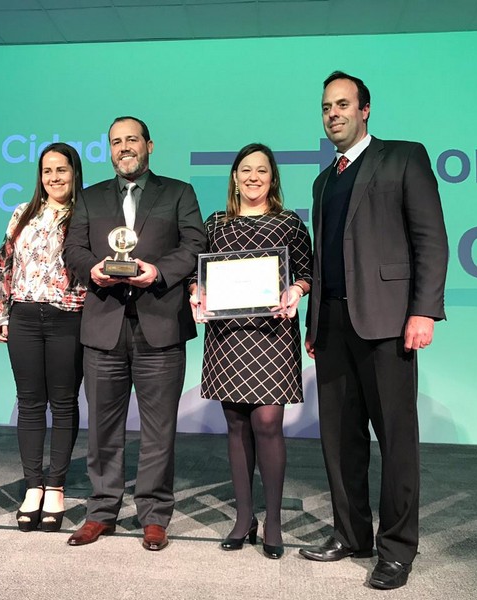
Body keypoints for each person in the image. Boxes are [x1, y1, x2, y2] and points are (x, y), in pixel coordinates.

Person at [299, 71, 448, 590]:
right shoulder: (323, 181)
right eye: (326, 107)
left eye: (343, 104)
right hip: (333, 325)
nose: (333, 114)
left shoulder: (403, 157)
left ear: (365, 110)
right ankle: (351, 533)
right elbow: (322, 260)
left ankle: (397, 550)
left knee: (396, 441)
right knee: (340, 441)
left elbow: (431, 239)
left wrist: (423, 311)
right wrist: (314, 322)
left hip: (388, 322)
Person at [62, 116, 206, 551]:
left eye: (132, 140)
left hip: (160, 325)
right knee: (102, 428)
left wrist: (158, 272)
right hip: (103, 326)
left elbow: (195, 244)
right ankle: (101, 511)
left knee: (159, 430)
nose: (124, 147)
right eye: (115, 142)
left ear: (149, 145)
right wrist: (93, 269)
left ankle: (154, 515)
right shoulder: (89, 197)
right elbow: (73, 248)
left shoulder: (178, 192)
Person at [189, 143, 312, 559]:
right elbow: (196, 271)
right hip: (228, 334)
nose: (253, 177)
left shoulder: (289, 222)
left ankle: (273, 521)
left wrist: (296, 290)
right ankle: (244, 519)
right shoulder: (215, 223)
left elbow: (308, 271)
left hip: (273, 334)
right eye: (246, 170)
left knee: (267, 422)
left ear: (272, 177)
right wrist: (197, 291)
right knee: (237, 425)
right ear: (235, 177)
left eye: (261, 170)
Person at [0, 142, 86, 533]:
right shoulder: (22, 212)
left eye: (61, 169)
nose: (54, 177)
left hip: (70, 316)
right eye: (47, 170)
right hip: (25, 316)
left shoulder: (87, 214)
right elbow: (4, 264)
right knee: (30, 403)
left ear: (75, 172)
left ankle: (56, 487)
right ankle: (33, 487)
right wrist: (1, 311)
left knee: (63, 403)